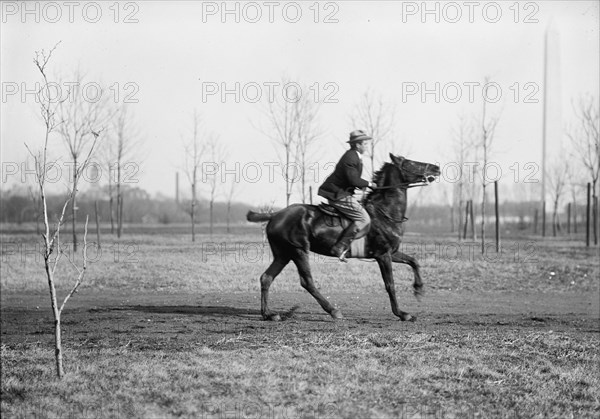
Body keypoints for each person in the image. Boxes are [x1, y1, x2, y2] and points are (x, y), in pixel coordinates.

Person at [317, 130, 376, 261]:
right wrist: (370, 184)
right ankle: (340, 247)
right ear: (357, 145)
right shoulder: (351, 157)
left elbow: (353, 180)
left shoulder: (354, 156)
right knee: (364, 219)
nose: (367, 146)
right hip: (337, 194)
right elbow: (353, 180)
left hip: (342, 193)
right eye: (365, 144)